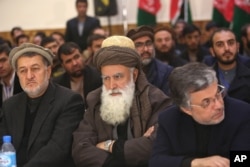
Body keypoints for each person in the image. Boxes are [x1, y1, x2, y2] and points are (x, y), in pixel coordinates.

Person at [72, 36, 172, 167]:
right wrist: (113, 161)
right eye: (106, 78)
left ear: (134, 75)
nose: (112, 85)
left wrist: (109, 145)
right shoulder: (95, 100)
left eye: (118, 77)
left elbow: (154, 146)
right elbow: (80, 149)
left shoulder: (156, 100)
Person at [149, 62, 250, 167]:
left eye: (218, 94)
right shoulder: (169, 119)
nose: (219, 105)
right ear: (186, 109)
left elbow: (243, 158)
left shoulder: (242, 113)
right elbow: (156, 161)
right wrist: (194, 163)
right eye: (206, 102)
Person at [0, 43, 84, 167]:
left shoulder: (69, 101)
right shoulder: (10, 105)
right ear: (17, 75)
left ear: (48, 71)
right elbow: (3, 144)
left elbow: (58, 149)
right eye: (23, 71)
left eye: (35, 69)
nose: (29, 76)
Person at [127, 25, 173, 95]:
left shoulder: (166, 71)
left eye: (148, 44)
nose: (145, 49)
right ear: (131, 49)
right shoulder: (125, 71)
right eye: (139, 45)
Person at [53, 42, 102, 107]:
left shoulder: (98, 76)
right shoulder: (57, 85)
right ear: (62, 65)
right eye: (68, 61)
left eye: (76, 57)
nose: (74, 63)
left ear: (82, 56)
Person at [208, 28, 250, 103]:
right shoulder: (205, 79)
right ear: (212, 51)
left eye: (230, 43)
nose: (227, 48)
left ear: (237, 47)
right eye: (220, 45)